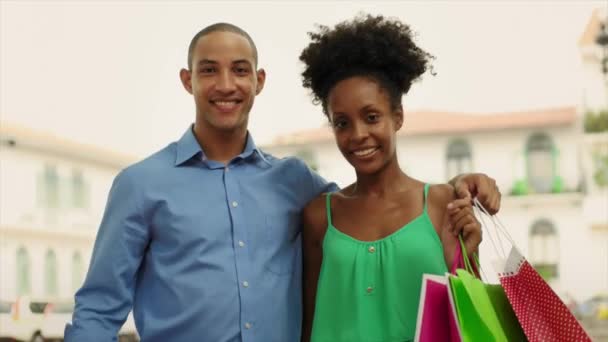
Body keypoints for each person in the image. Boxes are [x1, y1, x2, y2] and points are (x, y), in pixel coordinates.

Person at [65, 22, 501, 342]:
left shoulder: (295, 183)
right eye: (208, 70)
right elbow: (99, 310)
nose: (225, 85)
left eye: (239, 70)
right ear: (188, 80)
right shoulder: (140, 186)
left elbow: (374, 202)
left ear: (258, 81)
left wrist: (460, 186)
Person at [299, 15, 489, 342]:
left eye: (371, 117)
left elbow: (468, 319)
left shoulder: (442, 203)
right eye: (342, 123)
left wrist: (468, 258)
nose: (358, 134)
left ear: (397, 117)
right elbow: (309, 321)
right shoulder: (319, 216)